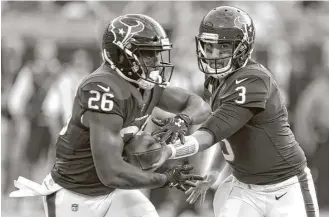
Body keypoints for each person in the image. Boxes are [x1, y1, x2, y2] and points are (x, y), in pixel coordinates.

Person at [10, 14, 211, 217]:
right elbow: (111, 172)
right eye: (149, 54)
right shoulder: (102, 88)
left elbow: (198, 105)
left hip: (112, 191)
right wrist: (165, 179)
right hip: (75, 193)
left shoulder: (146, 85)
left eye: (158, 54)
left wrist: (182, 120)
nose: (157, 63)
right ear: (121, 55)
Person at [153, 6, 319, 217]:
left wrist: (171, 151)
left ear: (242, 48)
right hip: (243, 187)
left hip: (285, 186)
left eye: (223, 48)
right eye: (210, 47)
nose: (214, 55)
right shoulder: (214, 80)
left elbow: (214, 131)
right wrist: (213, 173)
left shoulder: (254, 80)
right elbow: (229, 135)